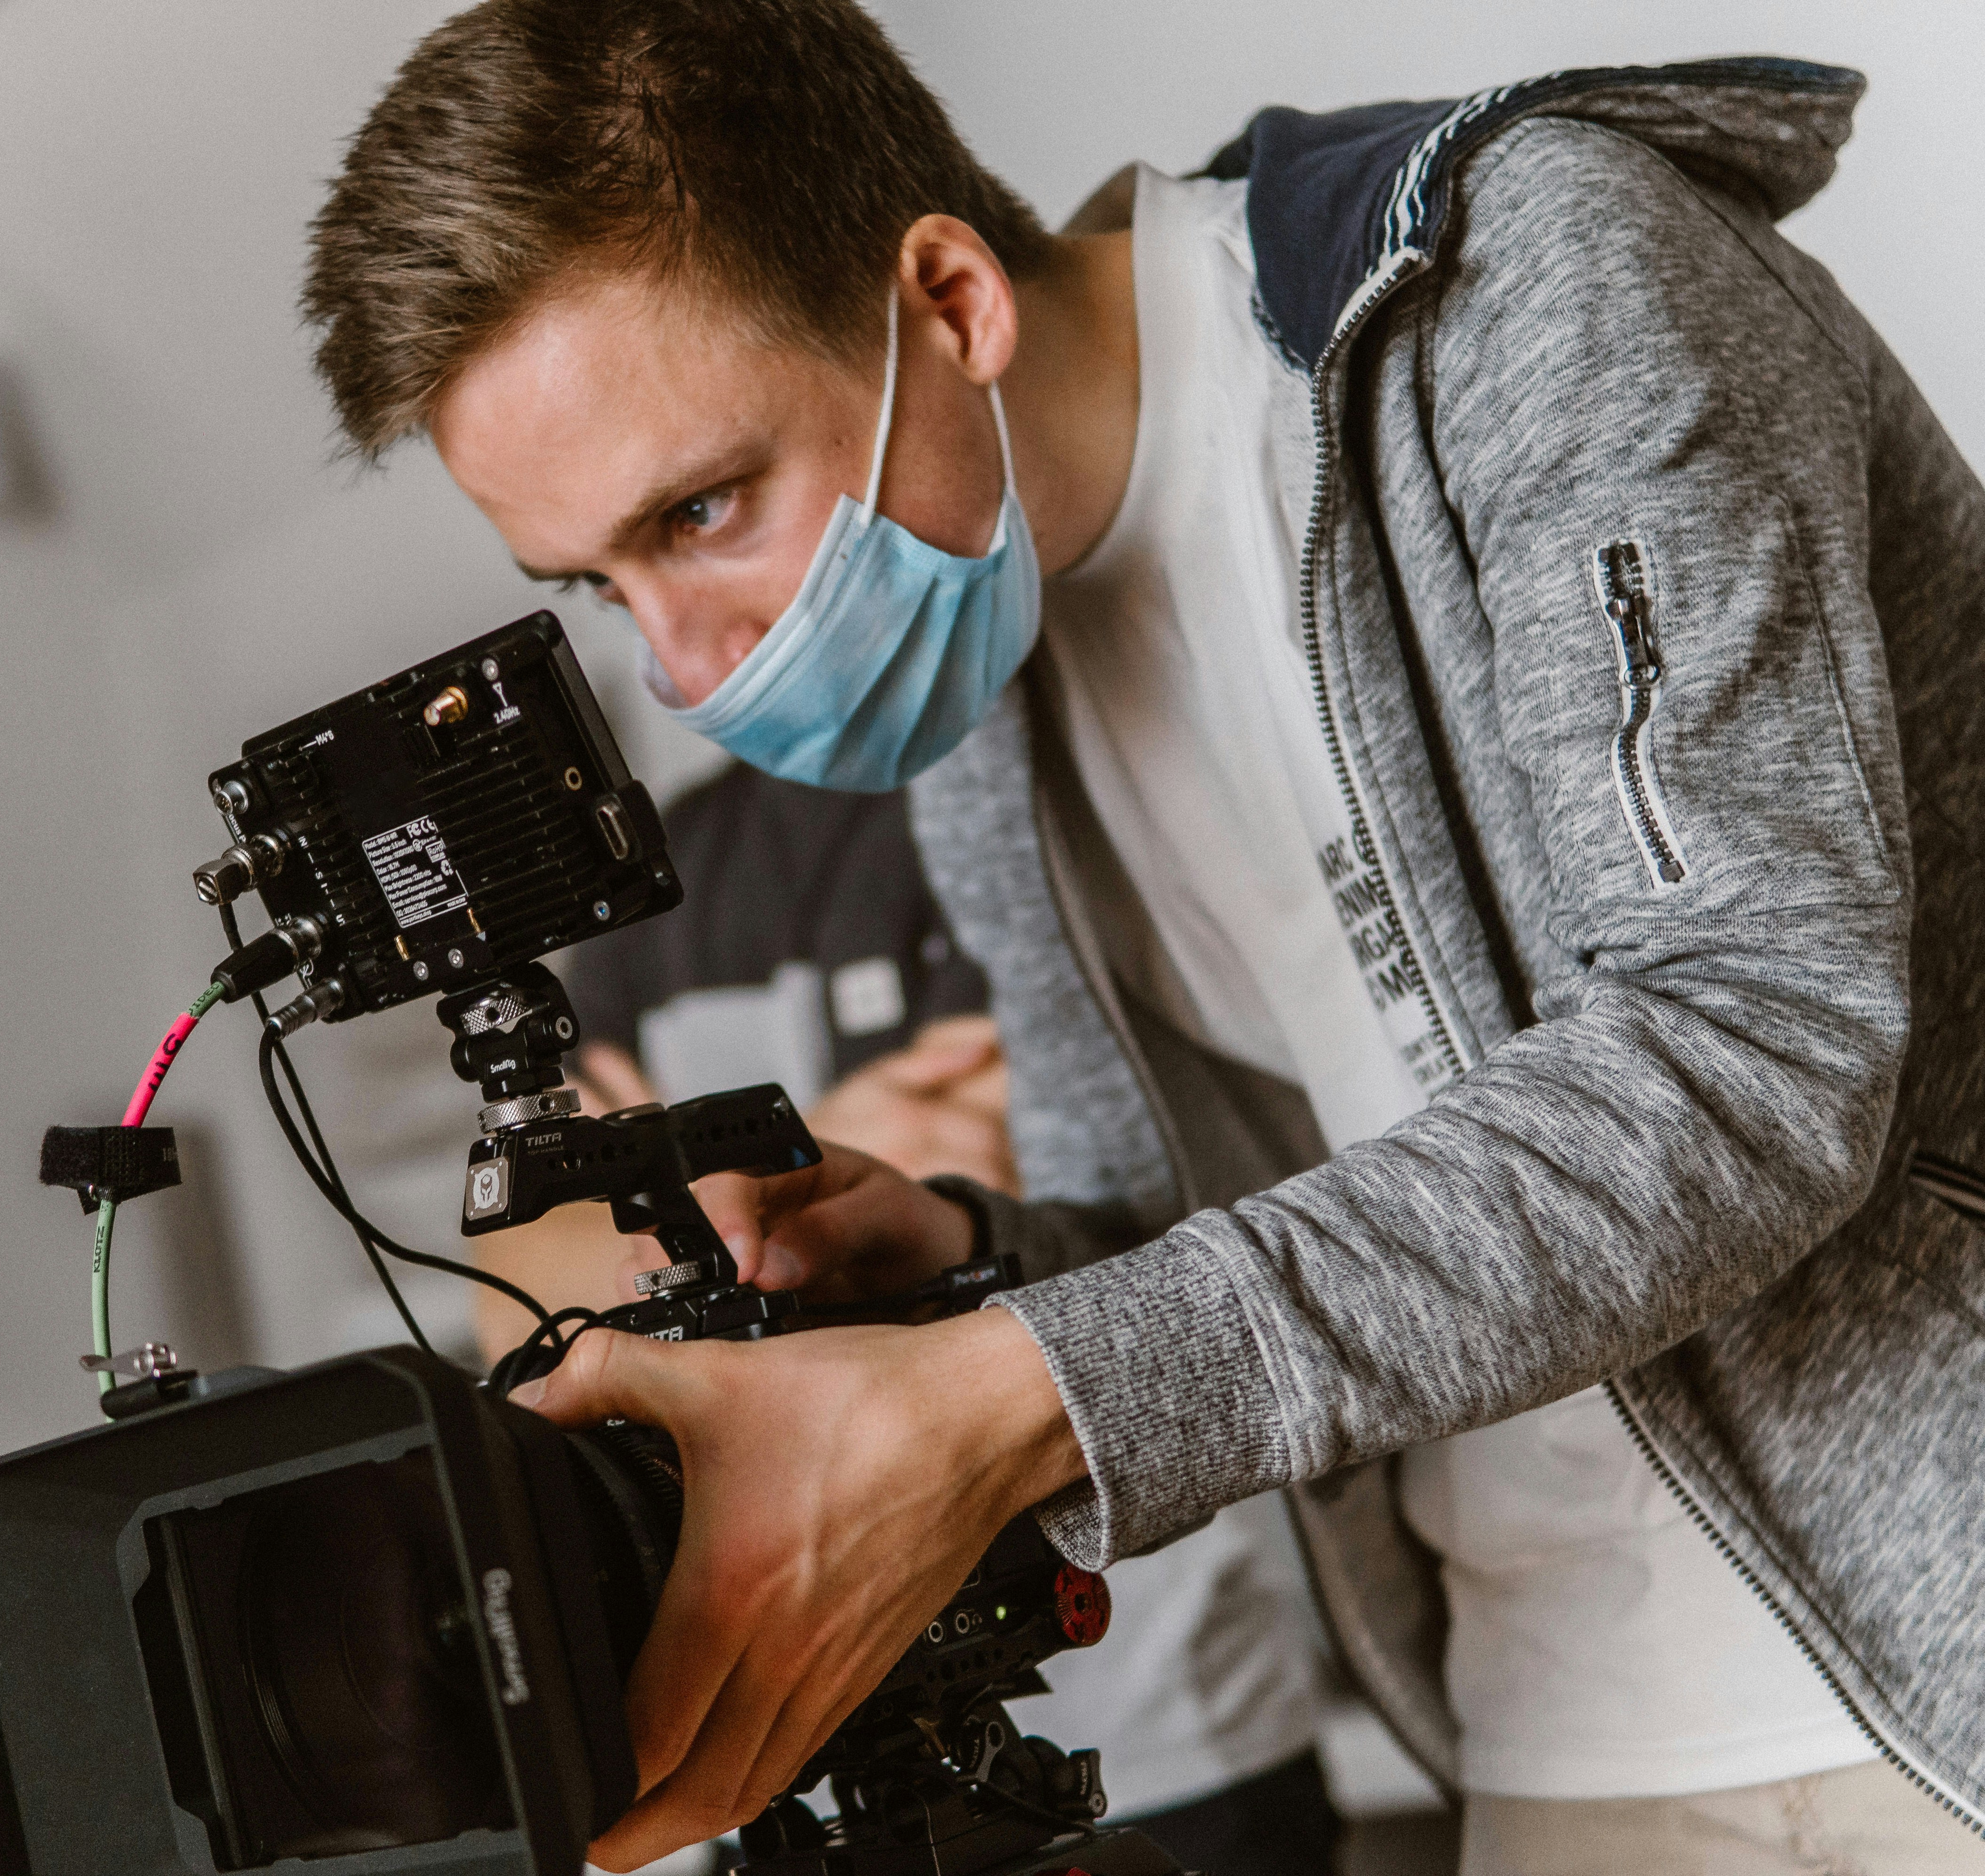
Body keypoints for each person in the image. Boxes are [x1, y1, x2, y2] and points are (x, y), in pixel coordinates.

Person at [303, 8, 1985, 1873]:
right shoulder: (981, 688)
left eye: (700, 512)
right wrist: (966, 1260)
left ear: (945, 300)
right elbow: (1172, 1249)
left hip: (1941, 1655)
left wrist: (1016, 1389)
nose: (686, 672)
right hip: (1558, 1716)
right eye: (599, 584)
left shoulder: (1529, 281)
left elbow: (1745, 1039)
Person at [469, 759, 1342, 1876]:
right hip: (800, 1750)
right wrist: (826, 1139)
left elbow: (1047, 1184)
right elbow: (520, 1296)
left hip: (1172, 1719)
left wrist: (689, 1206)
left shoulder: (1016, 804)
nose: (672, 651)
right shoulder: (648, 879)